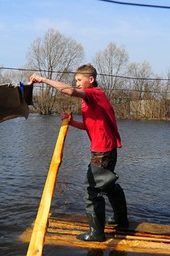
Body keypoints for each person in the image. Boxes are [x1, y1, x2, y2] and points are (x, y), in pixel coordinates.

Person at [30, 64, 128, 242]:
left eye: (79, 80)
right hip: (106, 148)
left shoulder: (95, 94)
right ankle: (121, 220)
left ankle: (97, 233)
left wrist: (43, 79)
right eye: (75, 81)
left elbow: (69, 92)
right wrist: (71, 122)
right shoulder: (91, 101)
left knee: (92, 189)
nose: (77, 84)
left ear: (90, 79)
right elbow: (90, 126)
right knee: (108, 186)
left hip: (102, 151)